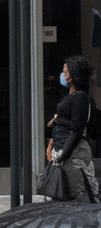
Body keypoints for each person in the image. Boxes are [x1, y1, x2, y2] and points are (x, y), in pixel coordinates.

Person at [47, 55, 99, 202]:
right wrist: (53, 144)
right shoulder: (71, 95)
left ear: (76, 74)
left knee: (80, 195)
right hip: (64, 150)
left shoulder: (81, 98)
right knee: (63, 194)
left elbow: (76, 130)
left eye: (66, 72)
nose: (63, 75)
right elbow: (63, 123)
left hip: (73, 153)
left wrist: (63, 154)